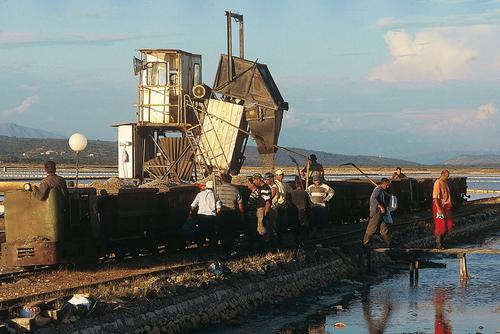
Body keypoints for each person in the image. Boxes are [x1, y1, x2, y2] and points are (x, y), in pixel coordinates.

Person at [216, 173, 244, 253]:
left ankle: (223, 248)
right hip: (232, 214)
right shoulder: (235, 189)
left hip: (221, 213)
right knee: (230, 231)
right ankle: (229, 248)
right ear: (230, 180)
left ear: (222, 180)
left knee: (222, 230)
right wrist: (242, 215)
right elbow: (240, 204)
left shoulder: (217, 189)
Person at [188, 180, 221, 248]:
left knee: (201, 234)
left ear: (206, 187)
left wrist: (190, 214)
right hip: (211, 217)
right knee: (212, 234)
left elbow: (193, 205)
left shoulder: (200, 194)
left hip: (201, 217)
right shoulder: (215, 195)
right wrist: (216, 216)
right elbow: (219, 209)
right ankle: (211, 250)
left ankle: (200, 251)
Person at [362, 178, 392, 248]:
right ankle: (366, 243)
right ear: (383, 183)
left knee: (383, 228)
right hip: (376, 211)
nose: (387, 187)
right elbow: (373, 199)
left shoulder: (380, 190)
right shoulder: (377, 189)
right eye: (387, 185)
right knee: (372, 227)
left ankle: (389, 243)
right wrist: (381, 207)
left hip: (380, 212)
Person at [251, 173, 273, 250]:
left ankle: (265, 247)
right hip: (261, 209)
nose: (253, 182)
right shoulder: (263, 188)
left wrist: (265, 213)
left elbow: (268, 201)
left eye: (254, 180)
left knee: (262, 229)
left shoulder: (264, 188)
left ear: (258, 179)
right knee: (262, 228)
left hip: (262, 209)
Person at [433, 170, 453, 249]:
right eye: (446, 176)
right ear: (443, 175)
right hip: (439, 206)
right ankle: (438, 244)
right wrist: (438, 208)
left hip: (446, 206)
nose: (447, 178)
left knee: (449, 224)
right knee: (440, 225)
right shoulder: (437, 183)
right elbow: (435, 197)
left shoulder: (445, 183)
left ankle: (441, 242)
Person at [289, 176, 311, 246]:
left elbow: (290, 202)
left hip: (294, 211)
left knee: (295, 226)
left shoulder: (292, 193)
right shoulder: (304, 193)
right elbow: (308, 203)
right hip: (303, 211)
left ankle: (296, 239)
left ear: (296, 185)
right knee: (303, 226)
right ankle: (303, 240)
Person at [273, 169, 290, 245]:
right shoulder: (275, 184)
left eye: (282, 175)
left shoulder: (284, 184)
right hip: (277, 206)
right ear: (276, 176)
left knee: (283, 224)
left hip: (283, 206)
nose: (281, 176)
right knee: (277, 224)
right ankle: (277, 241)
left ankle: (281, 240)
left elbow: (290, 191)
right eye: (279, 175)